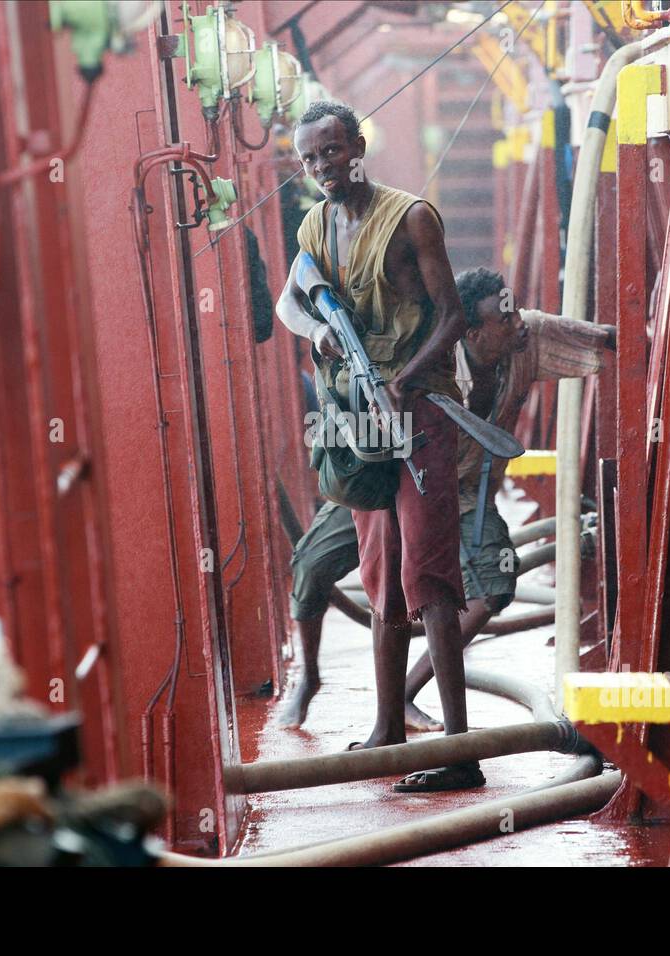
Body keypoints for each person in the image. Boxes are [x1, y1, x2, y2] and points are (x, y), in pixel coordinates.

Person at [280, 267, 615, 748]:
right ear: (471, 333)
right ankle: (309, 677)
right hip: (395, 486)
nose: (517, 321)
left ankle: (408, 695)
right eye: (504, 317)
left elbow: (601, 339)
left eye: (515, 308)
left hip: (463, 495)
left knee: (493, 586)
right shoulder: (430, 355)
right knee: (313, 567)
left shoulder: (528, 336)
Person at [275, 100, 476, 791]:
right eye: (309, 159)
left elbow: (453, 318)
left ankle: (459, 749)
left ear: (357, 147)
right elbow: (291, 302)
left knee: (429, 574)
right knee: (380, 574)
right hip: (357, 415)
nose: (322, 168)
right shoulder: (314, 225)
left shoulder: (411, 217)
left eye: (331, 153)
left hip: (420, 410)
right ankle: (390, 728)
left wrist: (405, 381)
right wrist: (318, 331)